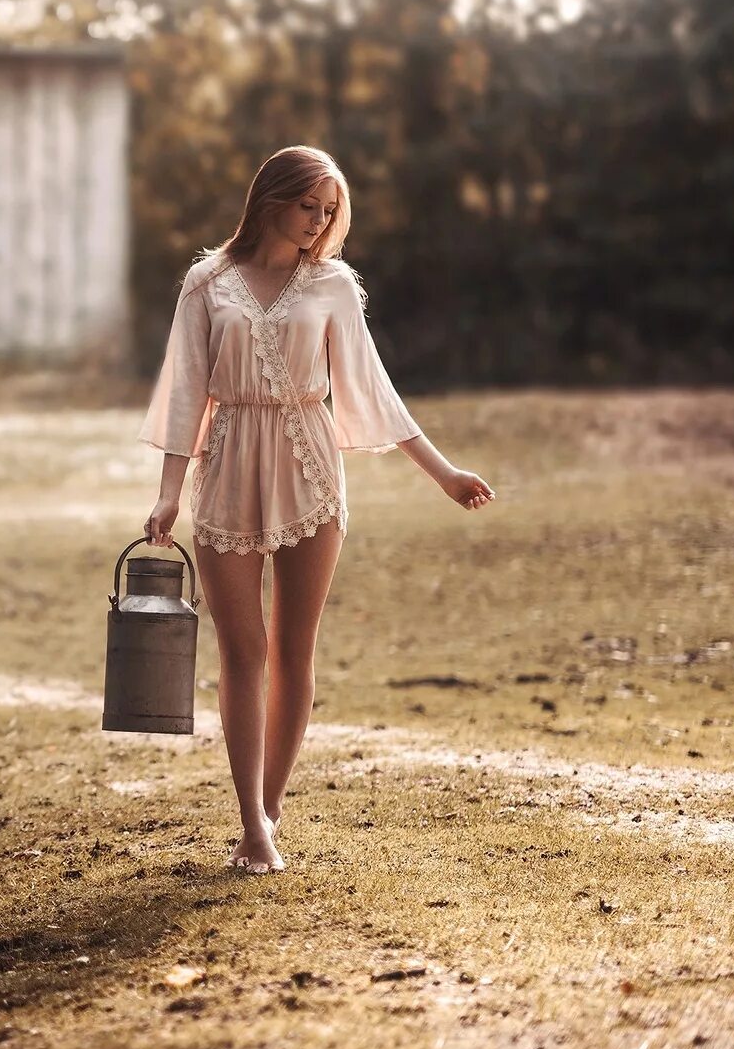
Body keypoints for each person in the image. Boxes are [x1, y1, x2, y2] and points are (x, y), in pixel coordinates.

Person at [137, 146, 494, 874]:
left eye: (330, 211)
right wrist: (169, 491)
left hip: (310, 469)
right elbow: (185, 394)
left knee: (293, 651)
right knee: (243, 653)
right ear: (271, 197)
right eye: (309, 206)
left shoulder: (333, 285)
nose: (319, 222)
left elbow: (371, 387)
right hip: (229, 465)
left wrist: (445, 473)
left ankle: (269, 810)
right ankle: (251, 826)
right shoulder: (207, 283)